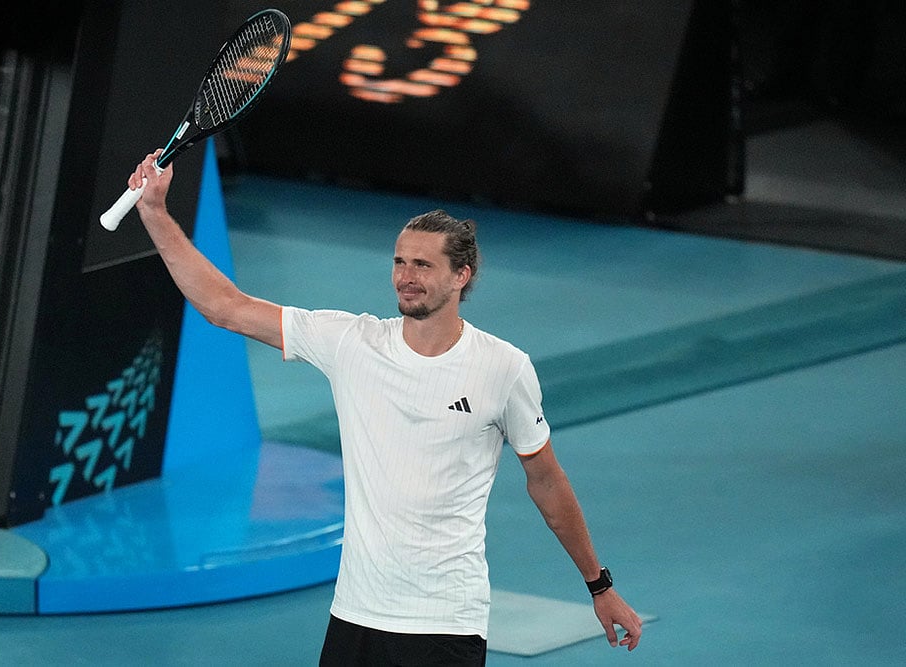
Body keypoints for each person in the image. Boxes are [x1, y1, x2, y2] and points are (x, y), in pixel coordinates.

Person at [126, 150, 643, 664]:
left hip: (445, 623)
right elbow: (226, 307)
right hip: (355, 616)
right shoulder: (352, 343)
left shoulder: (503, 367)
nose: (406, 275)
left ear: (462, 275)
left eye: (423, 264)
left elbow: (546, 480)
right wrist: (154, 212)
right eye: (399, 261)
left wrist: (600, 586)